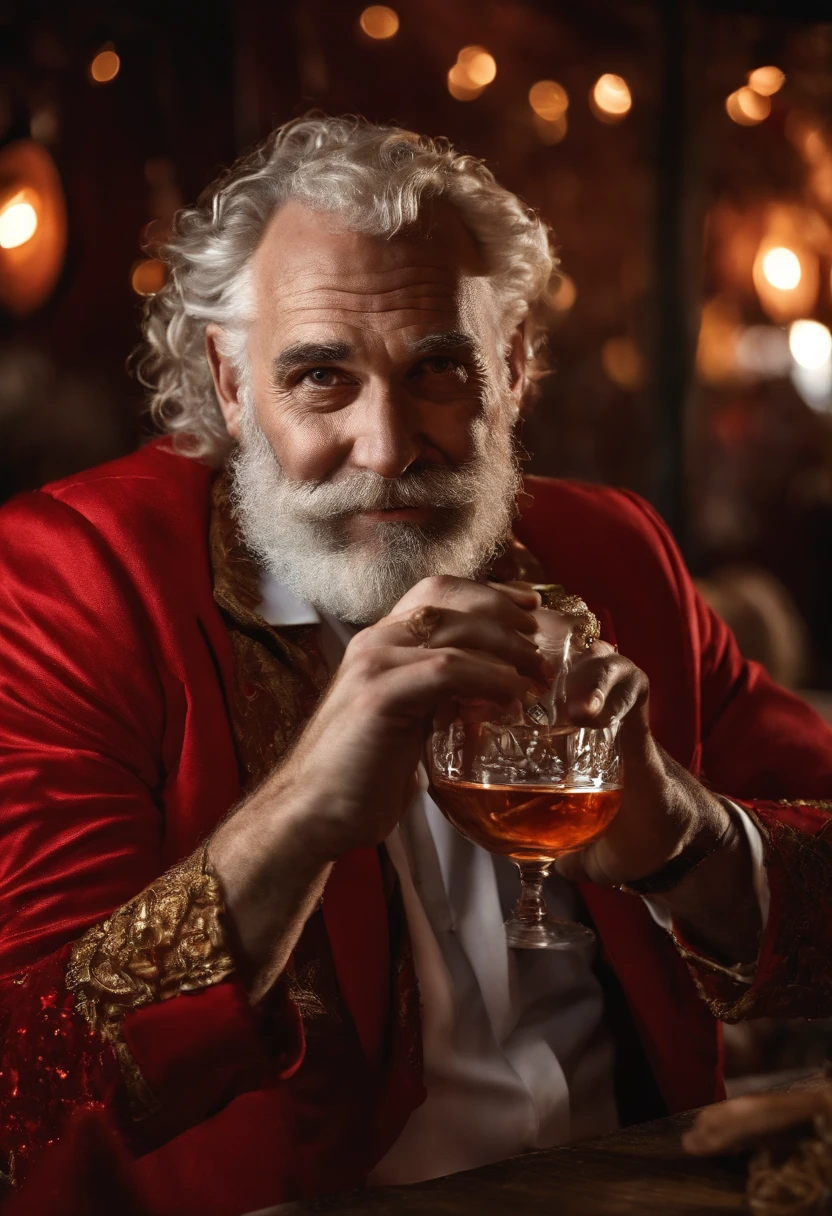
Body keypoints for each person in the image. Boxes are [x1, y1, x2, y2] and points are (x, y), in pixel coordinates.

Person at [1, 115, 831, 1216]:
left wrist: (685, 839)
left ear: (516, 363)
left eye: (438, 367)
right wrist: (297, 815)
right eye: (319, 377)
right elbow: (29, 1083)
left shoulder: (613, 553)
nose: (387, 445)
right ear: (231, 382)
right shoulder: (69, 582)